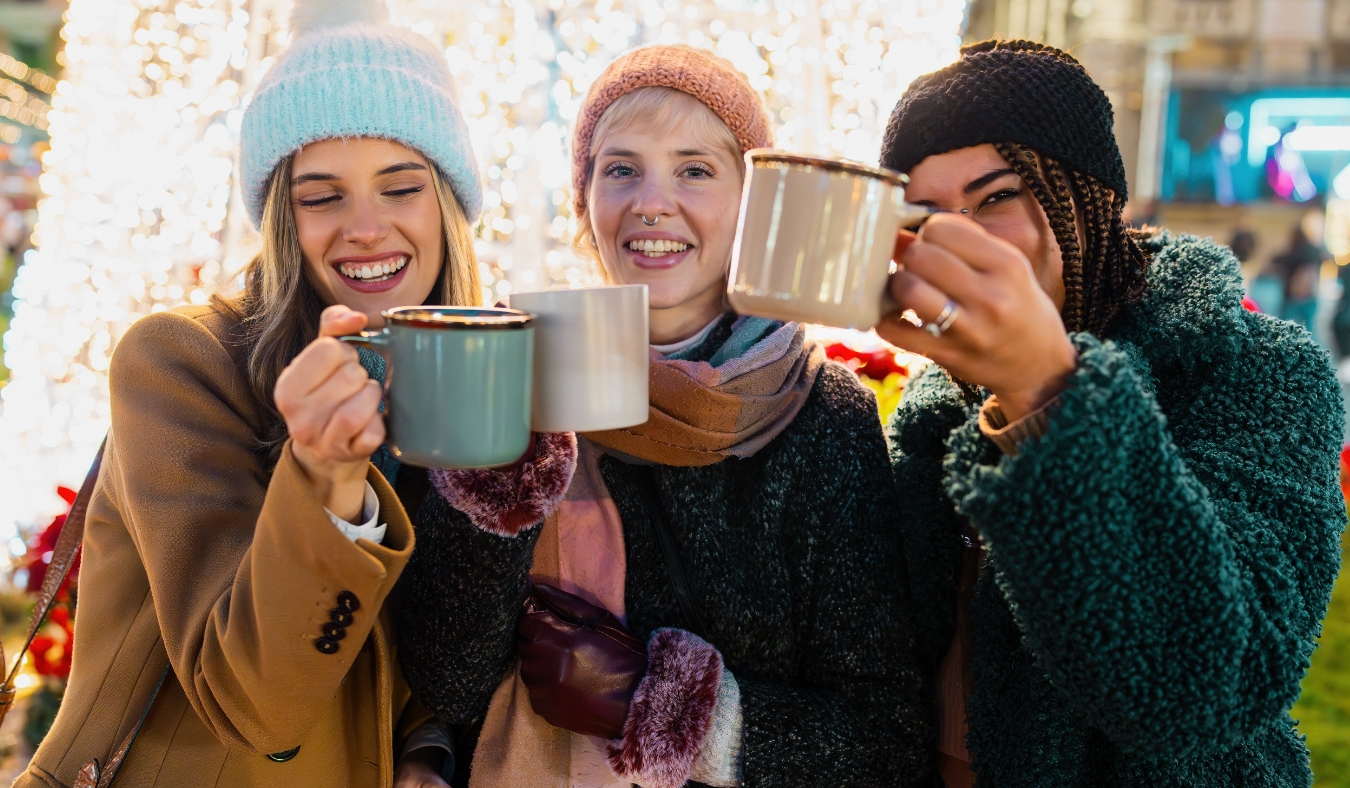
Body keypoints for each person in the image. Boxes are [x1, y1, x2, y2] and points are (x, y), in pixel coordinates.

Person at [16, 3, 575, 787]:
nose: (366, 228)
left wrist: (426, 743)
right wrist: (323, 476)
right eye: (322, 197)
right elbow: (250, 704)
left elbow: (429, 645)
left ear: (447, 206)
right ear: (283, 217)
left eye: (401, 187)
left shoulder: (455, 373)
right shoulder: (180, 362)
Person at [394, 45, 930, 788]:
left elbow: (885, 741)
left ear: (750, 204)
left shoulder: (823, 414)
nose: (651, 200)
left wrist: (665, 707)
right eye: (620, 169)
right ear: (584, 202)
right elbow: (446, 683)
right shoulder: (511, 373)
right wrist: (508, 469)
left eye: (695, 169)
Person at [876, 40, 1344, 787]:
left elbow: (1205, 694)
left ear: (1084, 199)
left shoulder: (1255, 369)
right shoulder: (934, 405)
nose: (957, 240)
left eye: (995, 198)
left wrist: (1044, 393)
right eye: (926, 214)